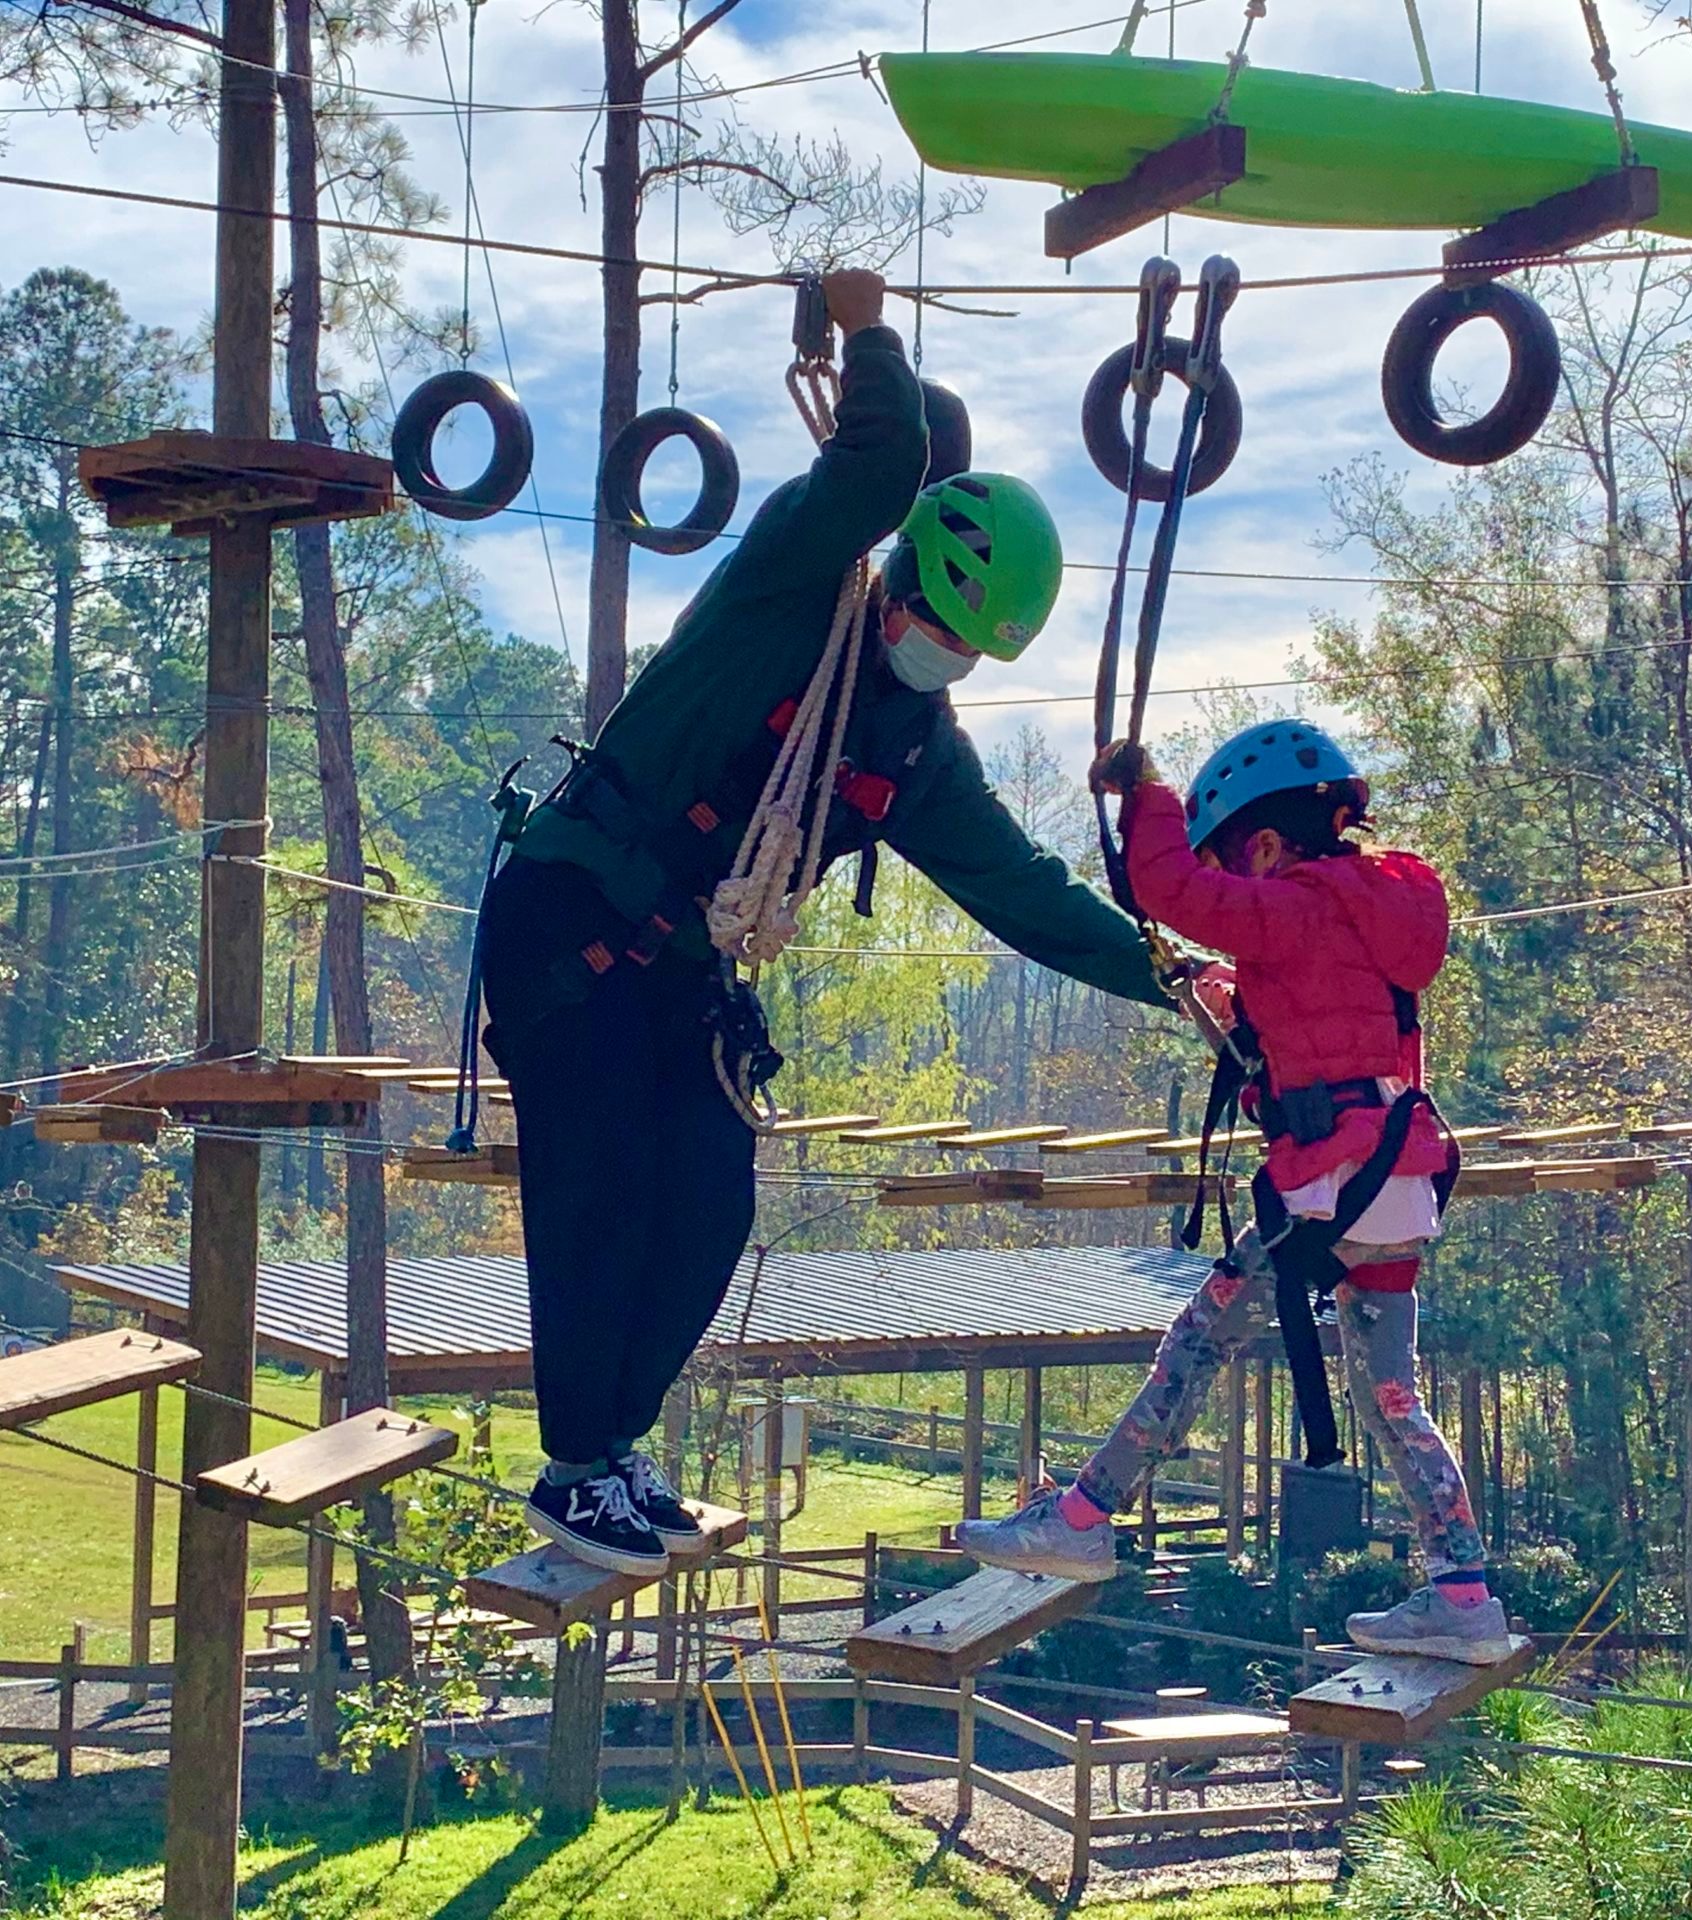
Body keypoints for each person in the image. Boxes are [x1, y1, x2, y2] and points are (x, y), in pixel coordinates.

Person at [479, 268, 1171, 1576]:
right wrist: (867, 325)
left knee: (708, 1199)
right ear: (900, 573)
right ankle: (577, 1466)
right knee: (607, 1177)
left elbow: (1031, 898)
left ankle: (615, 1448)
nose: (935, 653)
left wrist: (1180, 976)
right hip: (571, 919)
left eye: (965, 650)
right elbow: (880, 453)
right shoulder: (796, 587)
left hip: (672, 969)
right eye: (931, 624)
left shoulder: (913, 751)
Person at [956, 722, 1510, 1666]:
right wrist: (1218, 990)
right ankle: (1463, 1592)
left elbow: (1164, 888)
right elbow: (1311, 1011)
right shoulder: (1373, 910)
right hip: (1398, 1179)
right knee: (1390, 1396)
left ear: (1260, 845)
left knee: (1199, 1339)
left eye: (1234, 869)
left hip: (1330, 1183)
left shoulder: (1294, 902)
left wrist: (1147, 791)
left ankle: (1085, 1515)